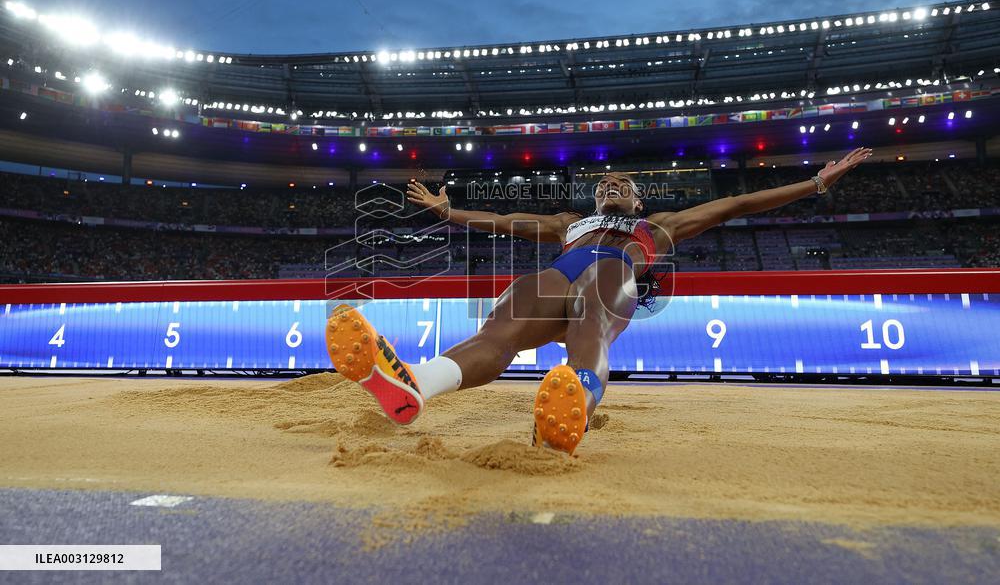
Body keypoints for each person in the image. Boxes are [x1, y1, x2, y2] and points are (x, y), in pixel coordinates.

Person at [326, 147, 873, 454]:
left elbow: (737, 203)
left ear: (637, 198)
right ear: (594, 196)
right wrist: (450, 213)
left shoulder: (657, 227)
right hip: (559, 270)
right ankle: (417, 382)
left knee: (591, 315)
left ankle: (573, 408)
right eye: (606, 181)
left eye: (624, 181)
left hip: (614, 275)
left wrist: (815, 185)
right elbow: (502, 222)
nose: (613, 182)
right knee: (501, 328)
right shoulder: (569, 223)